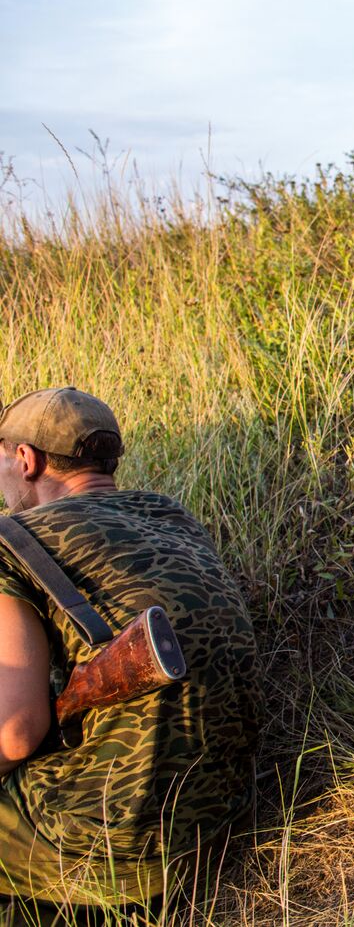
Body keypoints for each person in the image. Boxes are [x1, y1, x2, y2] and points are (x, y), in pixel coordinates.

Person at [0, 388, 261, 923]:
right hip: (214, 829)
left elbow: (15, 731)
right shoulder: (173, 517)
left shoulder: (10, 540)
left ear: (26, 459)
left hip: (104, 849)